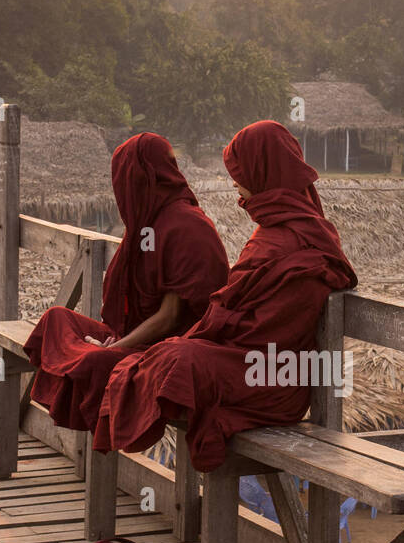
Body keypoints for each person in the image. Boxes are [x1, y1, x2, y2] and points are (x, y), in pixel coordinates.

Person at [93, 120, 358, 472]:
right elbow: (236, 307)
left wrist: (216, 324)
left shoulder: (301, 237)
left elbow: (270, 325)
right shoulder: (274, 231)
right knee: (165, 356)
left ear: (264, 170)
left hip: (271, 376)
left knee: (175, 359)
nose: (234, 183)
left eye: (240, 173)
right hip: (245, 356)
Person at [23, 133, 228, 432]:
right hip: (127, 335)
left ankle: (94, 358)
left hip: (164, 351)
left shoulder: (186, 225)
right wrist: (115, 340)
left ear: (145, 177)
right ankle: (93, 354)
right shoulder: (145, 224)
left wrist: (114, 347)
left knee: (92, 364)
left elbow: (170, 318)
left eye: (124, 179)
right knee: (56, 318)